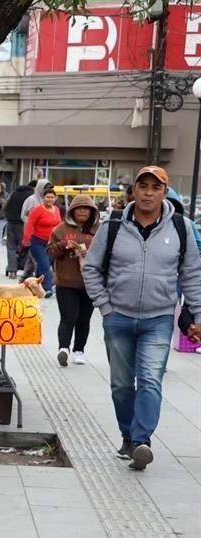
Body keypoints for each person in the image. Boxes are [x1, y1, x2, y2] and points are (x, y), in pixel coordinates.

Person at [82, 166, 201, 471]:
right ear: (133, 190)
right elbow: (91, 268)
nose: (148, 193)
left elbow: (191, 274)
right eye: (143, 186)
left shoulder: (180, 228)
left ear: (165, 192)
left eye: (155, 187)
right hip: (118, 316)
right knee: (121, 384)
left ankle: (141, 441)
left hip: (158, 318)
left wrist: (198, 315)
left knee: (150, 379)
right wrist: (105, 307)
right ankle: (127, 435)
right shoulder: (112, 226)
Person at [48, 195, 100, 367]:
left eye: (87, 208)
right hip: (66, 282)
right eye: (79, 208)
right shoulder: (60, 229)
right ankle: (63, 348)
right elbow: (50, 251)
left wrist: (89, 252)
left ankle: (79, 350)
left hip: (90, 283)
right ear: (72, 211)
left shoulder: (99, 230)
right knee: (68, 316)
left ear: (93, 212)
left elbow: (107, 253)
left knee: (84, 318)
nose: (83, 211)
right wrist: (64, 245)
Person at [22, 186, 60, 297]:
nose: (49, 199)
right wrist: (26, 239)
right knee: (45, 265)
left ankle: (36, 286)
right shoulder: (37, 210)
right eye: (47, 197)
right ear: (43, 198)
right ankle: (47, 289)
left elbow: (59, 224)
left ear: (55, 198)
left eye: (52, 197)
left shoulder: (56, 210)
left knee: (43, 265)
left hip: (52, 243)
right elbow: (30, 224)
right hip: (38, 242)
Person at [4, 180, 36, 278]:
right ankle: (26, 270)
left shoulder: (14, 193)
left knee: (11, 247)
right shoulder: (32, 196)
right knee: (26, 247)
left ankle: (12, 271)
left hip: (11, 223)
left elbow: (5, 207)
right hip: (23, 224)